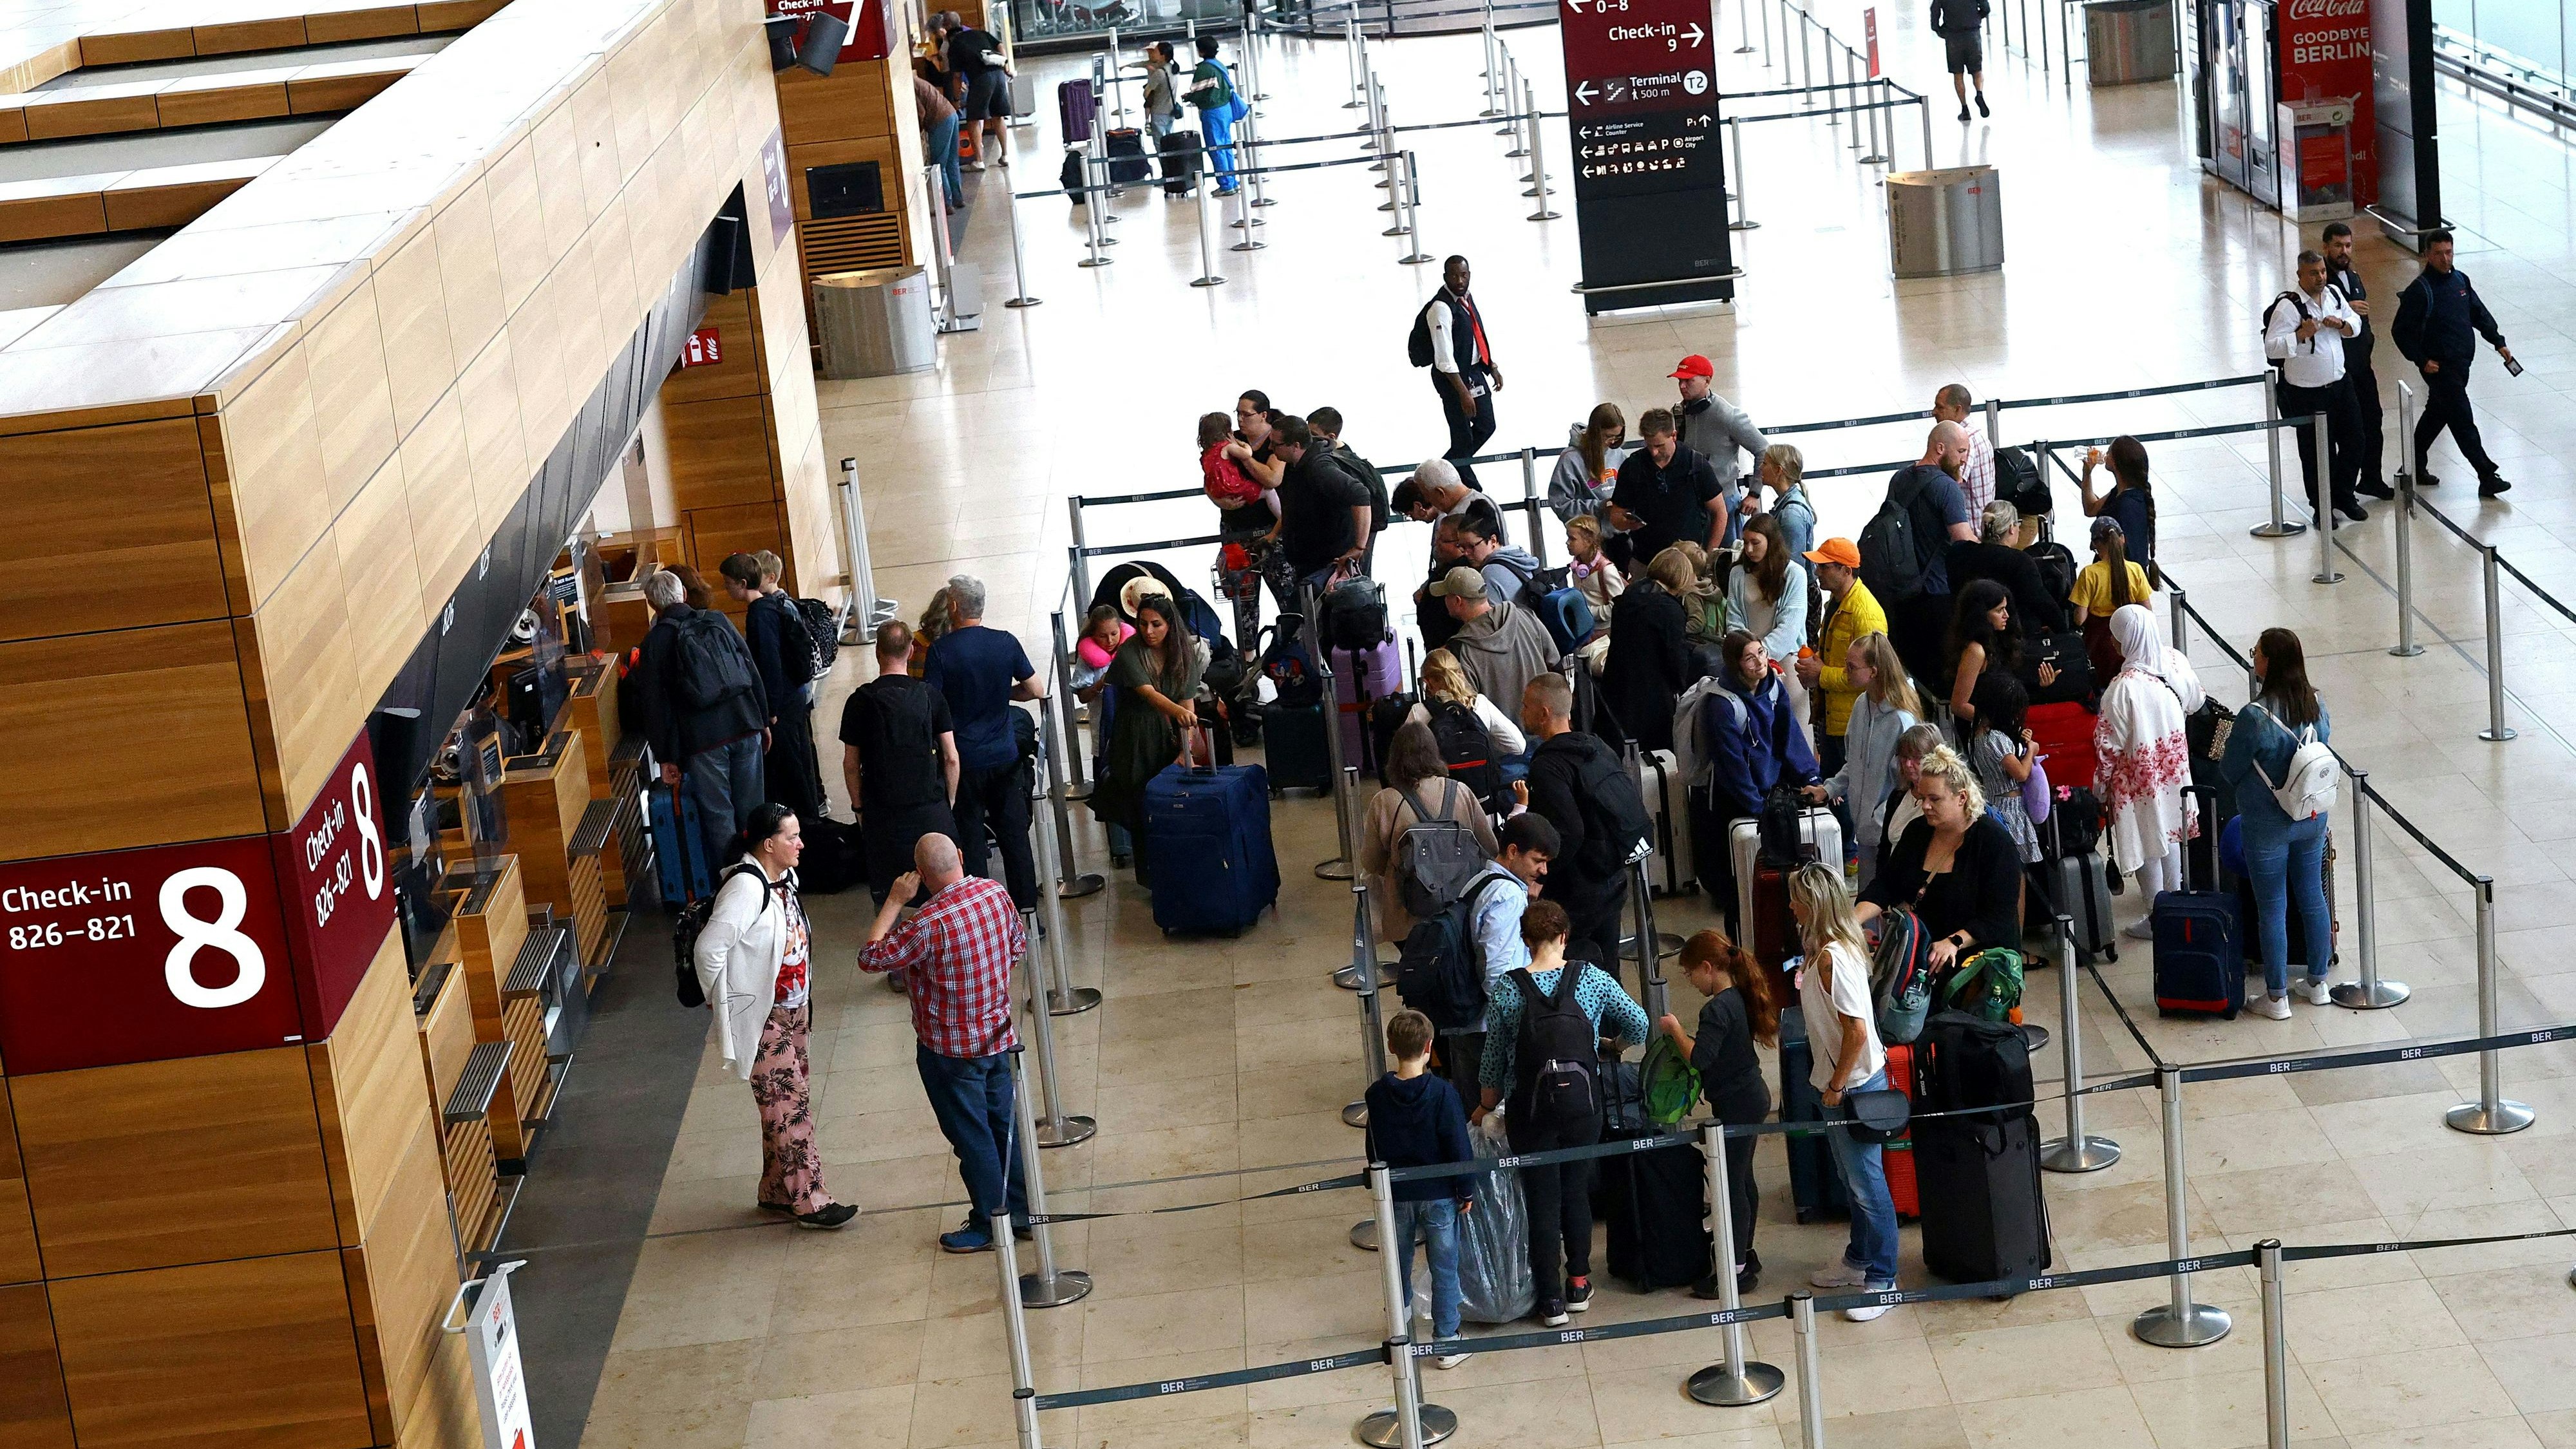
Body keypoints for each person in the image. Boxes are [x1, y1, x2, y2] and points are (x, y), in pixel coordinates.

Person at [1473, 898, 1653, 1327]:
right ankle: (1577, 1282)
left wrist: (1484, 1106)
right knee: (1575, 1189)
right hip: (1581, 1104)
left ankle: (1550, 1300)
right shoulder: (1589, 978)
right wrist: (1611, 1046)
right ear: (1564, 936)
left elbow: (1493, 1060)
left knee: (1541, 1197)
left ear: (1526, 940)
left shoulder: (1509, 989)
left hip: (1529, 1109)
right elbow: (1640, 1023)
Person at [858, 835, 1030, 1253]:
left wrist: (896, 901)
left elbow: (871, 957)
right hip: (998, 1037)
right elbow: (1017, 948)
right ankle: (1022, 1212)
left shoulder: (926, 924)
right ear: (962, 858)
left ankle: (992, 1223)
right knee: (1004, 1128)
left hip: (949, 1053)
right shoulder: (995, 893)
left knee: (973, 1137)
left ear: (921, 876)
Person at [692, 804, 854, 1229]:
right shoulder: (746, 890)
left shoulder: (784, 880)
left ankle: (777, 1191)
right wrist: (720, 1000)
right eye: (791, 837)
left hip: (794, 1010)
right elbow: (709, 950)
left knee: (785, 1105)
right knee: (788, 1109)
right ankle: (811, 1200)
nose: (801, 843)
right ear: (768, 845)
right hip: (764, 1018)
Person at [1790, 862, 1900, 1318]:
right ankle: (1859, 1260)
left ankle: (1882, 1276)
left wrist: (1836, 1087)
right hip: (1837, 1082)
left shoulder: (1835, 956)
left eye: (1796, 898)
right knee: (1853, 1180)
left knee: (1868, 1184)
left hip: (1853, 1086)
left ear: (1812, 905)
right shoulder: (1826, 950)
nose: (1790, 905)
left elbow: (1856, 1031)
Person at [1655, 929, 1777, 1299]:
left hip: (1737, 1102)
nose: (1691, 982)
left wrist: (1676, 1030)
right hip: (1751, 1096)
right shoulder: (1738, 998)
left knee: (1730, 1185)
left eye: (1691, 974)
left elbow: (1701, 1059)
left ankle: (1735, 1269)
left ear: (1708, 968)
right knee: (1743, 1179)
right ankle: (1747, 1254)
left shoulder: (1715, 1009)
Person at [2221, 628, 2334, 1019]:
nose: (2254, 658)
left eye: (2258, 653)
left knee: (2272, 906)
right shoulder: (2316, 703)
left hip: (2266, 824)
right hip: (2311, 816)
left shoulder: (2255, 716)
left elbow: (2230, 768)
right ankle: (2318, 982)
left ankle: (2276, 997)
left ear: (2268, 662)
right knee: (2311, 897)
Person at [638, 567, 768, 884]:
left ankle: (738, 886)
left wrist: (666, 756)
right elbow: (750, 669)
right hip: (745, 724)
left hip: (704, 742)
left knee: (720, 817)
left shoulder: (654, 642)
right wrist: (763, 720)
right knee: (754, 811)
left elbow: (655, 706)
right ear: (683, 594)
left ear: (654, 605)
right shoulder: (717, 620)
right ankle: (769, 879)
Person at [1365, 1009, 1477, 1369]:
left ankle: (1399, 1327)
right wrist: (1467, 1190)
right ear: (1430, 1047)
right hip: (1441, 1195)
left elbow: (1373, 1149)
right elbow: (1459, 1146)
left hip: (1396, 1196)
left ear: (1391, 1046)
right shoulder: (1444, 1094)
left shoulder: (1376, 1095)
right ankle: (1446, 1340)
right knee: (1444, 1268)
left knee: (1396, 1265)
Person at [1855, 746, 2022, 987]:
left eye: (1935, 799)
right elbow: (1886, 884)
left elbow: (1998, 917)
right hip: (1924, 965)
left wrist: (1954, 942)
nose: (1925, 806)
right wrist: (1850, 922)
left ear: (1961, 797)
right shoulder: (1917, 832)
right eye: (1922, 798)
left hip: (1979, 971)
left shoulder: (1994, 841)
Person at [924, 576, 1041, 909]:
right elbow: (1035, 689)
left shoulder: (941, 651)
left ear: (955, 606)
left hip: (965, 761)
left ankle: (982, 913)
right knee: (1014, 836)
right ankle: (1027, 909)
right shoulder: (1005, 642)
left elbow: (933, 703)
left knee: (972, 838)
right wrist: (1006, 695)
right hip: (1005, 756)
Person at [1700, 630, 1822, 928]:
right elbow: (1732, 766)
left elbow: (1789, 737)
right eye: (1749, 658)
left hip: (1770, 792)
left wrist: (1812, 777)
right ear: (1735, 664)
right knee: (1739, 885)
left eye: (1761, 653)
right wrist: (1757, 807)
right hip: (1735, 802)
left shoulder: (1774, 689)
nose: (1759, 662)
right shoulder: (1721, 704)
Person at [2096, 603, 2203, 934]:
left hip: (2136, 783)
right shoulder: (2174, 661)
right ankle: (2176, 902)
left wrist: (2100, 789)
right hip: (2175, 772)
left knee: (2146, 843)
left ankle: (2158, 917)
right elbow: (2197, 699)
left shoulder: (2121, 689)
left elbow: (2107, 749)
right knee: (2172, 834)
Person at [1084, 594, 1203, 884]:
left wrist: (1185, 748)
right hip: (1135, 737)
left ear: (1170, 625)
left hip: (1170, 736)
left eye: (1156, 624)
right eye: (1143, 624)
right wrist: (1180, 715)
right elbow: (1149, 694)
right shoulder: (1130, 652)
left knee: (1173, 804)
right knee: (1140, 804)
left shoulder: (1184, 653)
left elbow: (1188, 702)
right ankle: (1150, 875)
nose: (1148, 631)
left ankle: (1176, 869)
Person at [842, 621, 961, 909]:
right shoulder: (931, 696)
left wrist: (860, 808)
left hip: (883, 812)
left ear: (877, 652)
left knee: (890, 894)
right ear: (910, 651)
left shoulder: (860, 701)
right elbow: (951, 757)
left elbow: (850, 764)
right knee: (944, 888)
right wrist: (948, 802)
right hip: (930, 807)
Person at [1437, 813, 1557, 1097]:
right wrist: (1519, 1025)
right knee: (1495, 1124)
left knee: (1473, 1114)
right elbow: (1498, 973)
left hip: (1465, 1020)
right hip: (1489, 1029)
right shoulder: (1508, 895)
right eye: (1537, 861)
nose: (1543, 871)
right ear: (1514, 851)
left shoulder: (1479, 880)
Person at [1522, 674, 1633, 977]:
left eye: (1526, 706)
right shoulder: (1597, 748)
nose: (1522, 713)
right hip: (1611, 877)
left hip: (1577, 888)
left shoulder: (1547, 766)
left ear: (1544, 713)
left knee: (1567, 973)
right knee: (1608, 972)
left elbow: (1569, 831)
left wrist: (1541, 876)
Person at [2393, 229, 2516, 496]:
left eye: (2449, 252)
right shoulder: (2420, 291)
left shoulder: (2461, 280)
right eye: (2438, 254)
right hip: (2439, 369)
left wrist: (2498, 342)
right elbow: (2400, 331)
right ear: (2427, 255)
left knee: (2436, 416)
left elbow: (2478, 313)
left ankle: (2412, 465)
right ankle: (2486, 474)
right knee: (2462, 420)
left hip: (2461, 365)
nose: (2445, 259)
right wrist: (2421, 359)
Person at [1359, 721, 1502, 944]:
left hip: (1406, 916)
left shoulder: (1385, 801)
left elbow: (1371, 863)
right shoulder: (1461, 792)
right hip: (1460, 911)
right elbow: (1491, 848)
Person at [1805, 632, 1922, 891]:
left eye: (1851, 667)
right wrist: (1828, 789)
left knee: (1885, 904)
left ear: (1873, 672)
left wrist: (1880, 819)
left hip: (1890, 834)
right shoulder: (1861, 705)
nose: (1845, 672)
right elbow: (1855, 763)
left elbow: (1910, 783)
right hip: (1866, 832)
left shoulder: (1902, 721)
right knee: (1868, 900)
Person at [2263, 249, 2368, 522]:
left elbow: (2355, 322)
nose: (2320, 277)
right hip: (2307, 393)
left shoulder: (2333, 294)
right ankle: (2322, 507)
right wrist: (2300, 335)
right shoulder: (2289, 307)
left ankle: (2344, 495)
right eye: (2313, 273)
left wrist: (2343, 323)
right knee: (2315, 453)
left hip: (2340, 384)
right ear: (2300, 275)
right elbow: (2272, 348)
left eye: (2322, 271)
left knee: (2355, 440)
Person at [723, 553, 823, 829]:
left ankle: (804, 826)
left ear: (742, 583)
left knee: (790, 768)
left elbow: (769, 664)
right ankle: (810, 820)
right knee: (800, 760)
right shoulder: (772, 606)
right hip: (794, 698)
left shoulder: (760, 614)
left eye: (728, 583)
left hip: (783, 706)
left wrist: (771, 711)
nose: (726, 589)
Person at [1877, 422, 1980, 687]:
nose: (1964, 459)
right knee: (1941, 676)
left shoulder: (1899, 478)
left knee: (1913, 676)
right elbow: (1963, 540)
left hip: (1901, 592)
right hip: (1937, 593)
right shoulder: (1946, 487)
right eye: (1961, 452)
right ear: (1940, 448)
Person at [1798, 538, 1889, 779]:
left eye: (1824, 567)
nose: (1817, 572)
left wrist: (1820, 674)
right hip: (1834, 720)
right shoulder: (1837, 602)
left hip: (1853, 725)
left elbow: (1871, 675)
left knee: (1846, 796)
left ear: (1846, 570)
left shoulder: (1866, 613)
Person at [1434, 565, 1558, 734]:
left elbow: (1468, 708)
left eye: (1446, 596)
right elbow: (1554, 662)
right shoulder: (1525, 616)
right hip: (1545, 731)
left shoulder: (1460, 650)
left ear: (1457, 601)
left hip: (1505, 745)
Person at [2320, 221, 2394, 500]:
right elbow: (2316, 312)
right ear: (2326, 247)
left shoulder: (2355, 277)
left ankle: (2371, 477)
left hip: (2362, 365)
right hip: (2341, 370)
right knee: (2347, 431)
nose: (2344, 251)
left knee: (2373, 420)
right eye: (2338, 245)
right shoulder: (2322, 280)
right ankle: (2342, 488)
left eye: (2348, 245)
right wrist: (2346, 309)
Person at [1269, 414, 1373, 601]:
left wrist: (1359, 547)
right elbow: (1293, 507)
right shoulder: (1296, 466)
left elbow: (1360, 495)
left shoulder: (1319, 468)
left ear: (1296, 446)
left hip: (1328, 565)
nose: (1270, 448)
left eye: (1276, 444)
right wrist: (1275, 534)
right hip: (1311, 563)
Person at [1607, 408, 1725, 571]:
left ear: (1674, 436)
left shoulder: (1696, 465)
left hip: (1688, 564)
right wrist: (1625, 522)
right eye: (1649, 446)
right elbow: (1616, 515)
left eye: (1659, 445)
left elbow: (1720, 512)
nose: (1654, 452)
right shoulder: (1632, 466)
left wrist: (1708, 557)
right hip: (1645, 562)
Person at [1600, 547, 1693, 752]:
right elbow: (1676, 660)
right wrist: (1681, 685)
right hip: (1653, 696)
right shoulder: (1669, 610)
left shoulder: (1627, 598)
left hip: (1617, 688)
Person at [1422, 255, 1504, 485]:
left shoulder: (1466, 299)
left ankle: (1440, 473)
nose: (1460, 280)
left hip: (1474, 373)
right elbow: (1444, 357)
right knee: (1462, 438)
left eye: (1464, 275)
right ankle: (1469, 488)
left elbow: (1476, 337)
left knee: (1487, 425)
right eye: (1454, 275)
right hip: (1453, 381)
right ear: (1445, 277)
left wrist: (1492, 367)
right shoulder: (1441, 308)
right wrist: (1463, 393)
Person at [1670, 355, 1766, 542]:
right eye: (1680, 380)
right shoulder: (1680, 412)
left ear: (1707, 381)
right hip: (1691, 502)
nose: (1682, 386)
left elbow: (1763, 449)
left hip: (1724, 502)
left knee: (1725, 561)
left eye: (1688, 380)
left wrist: (1754, 493)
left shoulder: (1728, 415)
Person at [1945, 500, 2065, 639]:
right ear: (2012, 528)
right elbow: (2043, 604)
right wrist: (2066, 634)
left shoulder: (1958, 553)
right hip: (2011, 637)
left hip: (1966, 632)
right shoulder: (2019, 561)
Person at [1944, 579, 2050, 736]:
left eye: (2005, 609)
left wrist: (2039, 686)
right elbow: (1959, 705)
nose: (2006, 615)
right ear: (1982, 615)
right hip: (1984, 734)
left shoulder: (1995, 642)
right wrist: (2000, 723)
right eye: (1999, 610)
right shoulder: (1976, 651)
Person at [1408, 647, 1528, 770]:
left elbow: (1405, 758)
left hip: (1442, 785)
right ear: (1461, 673)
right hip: (1479, 783)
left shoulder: (1419, 711)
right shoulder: (1480, 704)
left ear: (1427, 682)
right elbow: (1518, 746)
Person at [2070, 515, 2154, 685]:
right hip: (2132, 641)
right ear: (2122, 539)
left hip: (2100, 644)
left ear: (2095, 544)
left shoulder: (2089, 574)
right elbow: (2147, 611)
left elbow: (2080, 619)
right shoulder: (2136, 570)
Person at [1969, 673, 2041, 866]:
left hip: (1994, 803)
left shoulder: (1977, 735)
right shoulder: (1996, 739)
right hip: (2011, 809)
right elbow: (2021, 773)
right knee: (2017, 872)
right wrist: (2031, 750)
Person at [1727, 514, 1809, 684]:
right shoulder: (1737, 574)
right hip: (1748, 661)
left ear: (1771, 542)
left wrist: (1760, 655)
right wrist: (1749, 656)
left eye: (1755, 543)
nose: (1749, 549)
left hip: (1786, 658)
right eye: (1745, 542)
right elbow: (1733, 619)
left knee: (1791, 710)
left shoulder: (1795, 574)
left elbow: (1790, 627)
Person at [2078, 435, 2159, 582]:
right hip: (2114, 574)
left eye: (2109, 452)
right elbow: (2091, 508)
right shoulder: (2121, 492)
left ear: (2115, 463)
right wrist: (2087, 473)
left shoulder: (2127, 506)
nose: (2105, 455)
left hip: (2119, 581)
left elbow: (2131, 554)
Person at [945, 14, 1011, 170]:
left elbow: (956, 77)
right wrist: (1005, 63)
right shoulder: (981, 33)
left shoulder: (955, 45)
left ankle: (979, 161)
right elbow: (1000, 45)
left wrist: (956, 99)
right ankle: (1005, 155)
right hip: (998, 75)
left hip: (982, 79)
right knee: (998, 116)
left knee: (973, 119)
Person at [1182, 36, 1242, 193]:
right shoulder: (1218, 65)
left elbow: (1198, 92)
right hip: (1225, 109)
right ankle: (1232, 181)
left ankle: (1225, 185)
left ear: (1201, 51)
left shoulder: (1205, 69)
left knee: (1216, 148)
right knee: (1226, 146)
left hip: (1213, 112)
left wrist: (1188, 97)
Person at [1549, 403, 1627, 523]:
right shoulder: (1570, 459)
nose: (1611, 442)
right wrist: (1599, 507)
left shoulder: (1618, 453)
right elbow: (1561, 504)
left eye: (1616, 438)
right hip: (1588, 533)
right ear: (1595, 432)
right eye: (1608, 437)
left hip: (1618, 531)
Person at [1456, 510, 1543, 609]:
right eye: (1462, 547)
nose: (1466, 553)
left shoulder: (1490, 572)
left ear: (1493, 541)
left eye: (1471, 546)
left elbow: (1492, 621)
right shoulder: (1521, 558)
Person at [1932, 384, 1997, 516]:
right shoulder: (1976, 433)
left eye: (1940, 407)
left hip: (1970, 528)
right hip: (1980, 523)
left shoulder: (1963, 439)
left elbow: (1953, 481)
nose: (1934, 412)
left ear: (1957, 409)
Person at [1200, 411, 1277, 518]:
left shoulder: (1206, 453)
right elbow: (1247, 454)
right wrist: (1240, 443)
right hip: (1233, 487)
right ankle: (1283, 519)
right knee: (1269, 492)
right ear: (1226, 431)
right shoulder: (1228, 446)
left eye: (1246, 414)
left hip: (1218, 491)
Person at [1747, 444, 1815, 562]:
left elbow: (1793, 567)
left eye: (1765, 463)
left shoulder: (1792, 514)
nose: (1760, 468)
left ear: (1778, 470)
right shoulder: (1788, 504)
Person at [1928, 0, 1990, 120]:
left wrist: (1938, 29)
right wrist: (1976, 18)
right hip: (1973, 33)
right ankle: (1979, 94)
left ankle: (1965, 109)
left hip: (1953, 36)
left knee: (1958, 74)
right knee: (1977, 71)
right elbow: (1986, 8)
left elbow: (1935, 10)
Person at [1564, 515, 1625, 629]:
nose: (1567, 543)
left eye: (1572, 538)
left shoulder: (1606, 569)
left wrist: (1587, 611)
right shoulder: (1578, 565)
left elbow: (1618, 606)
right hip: (1585, 627)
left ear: (1588, 541)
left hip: (1606, 630)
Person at [916, 69, 963, 209]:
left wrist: (916, 133)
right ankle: (958, 198)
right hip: (951, 114)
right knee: (952, 161)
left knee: (938, 165)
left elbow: (920, 113)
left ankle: (946, 204)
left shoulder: (909, 86)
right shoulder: (918, 82)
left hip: (940, 120)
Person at [1138, 41, 1185, 142]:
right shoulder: (1174, 69)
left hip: (1159, 112)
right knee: (1171, 141)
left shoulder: (1159, 73)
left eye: (1155, 52)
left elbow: (1146, 94)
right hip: (1171, 110)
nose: (1153, 54)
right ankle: (1172, 159)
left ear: (1163, 56)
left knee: (1160, 143)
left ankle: (1164, 159)